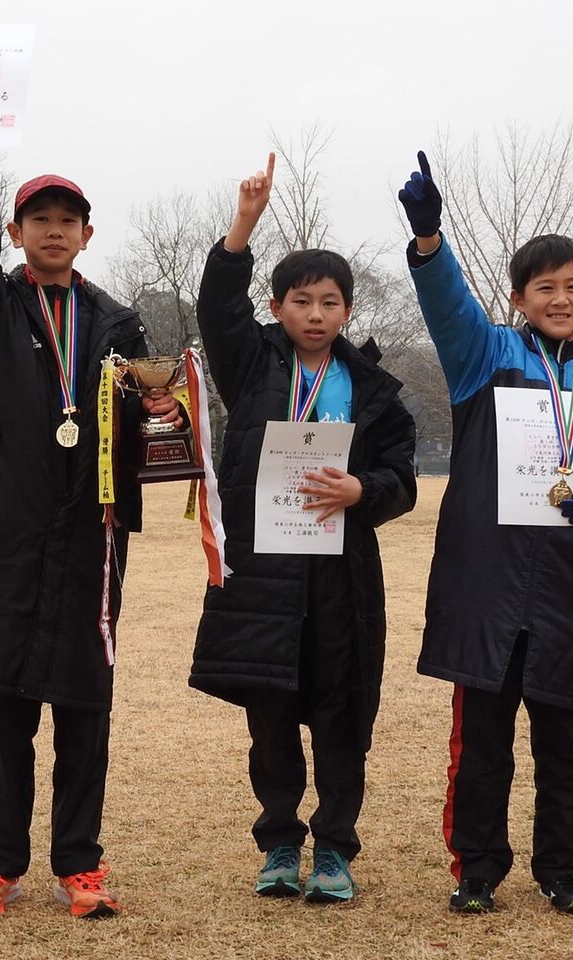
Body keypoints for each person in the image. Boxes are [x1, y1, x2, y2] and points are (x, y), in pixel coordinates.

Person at [0, 62, 181, 920]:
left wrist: (161, 412)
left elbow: (139, 422)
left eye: (67, 220)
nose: (53, 231)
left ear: (87, 235)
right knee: (7, 702)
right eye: (39, 219)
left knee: (86, 703)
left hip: (91, 530)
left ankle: (80, 863)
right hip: (5, 526)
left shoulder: (119, 322)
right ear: (17, 232)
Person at [397, 151, 573, 914]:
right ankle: (477, 871)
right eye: (544, 287)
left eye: (572, 286)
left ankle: (562, 870)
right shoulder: (484, 358)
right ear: (518, 298)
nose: (560, 298)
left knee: (565, 743)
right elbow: (449, 306)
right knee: (481, 745)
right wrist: (429, 241)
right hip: (487, 585)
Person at [189, 154, 417, 903]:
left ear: (347, 310)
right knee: (273, 718)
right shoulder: (251, 366)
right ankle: (281, 843)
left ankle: (336, 850)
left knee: (342, 716)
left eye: (329, 301)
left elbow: (402, 478)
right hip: (264, 572)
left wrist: (362, 489)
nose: (315, 314)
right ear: (278, 307)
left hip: (342, 575)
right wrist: (243, 225)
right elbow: (219, 308)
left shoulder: (374, 389)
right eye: (300, 301)